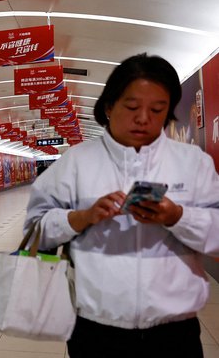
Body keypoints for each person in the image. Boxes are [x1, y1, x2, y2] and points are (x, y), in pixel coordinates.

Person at [25, 54, 219, 357]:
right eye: (131, 107)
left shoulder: (193, 163)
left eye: (157, 109)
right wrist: (80, 217)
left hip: (175, 332)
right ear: (109, 106)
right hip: (95, 331)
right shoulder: (75, 163)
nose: (144, 118)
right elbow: (34, 233)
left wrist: (177, 217)